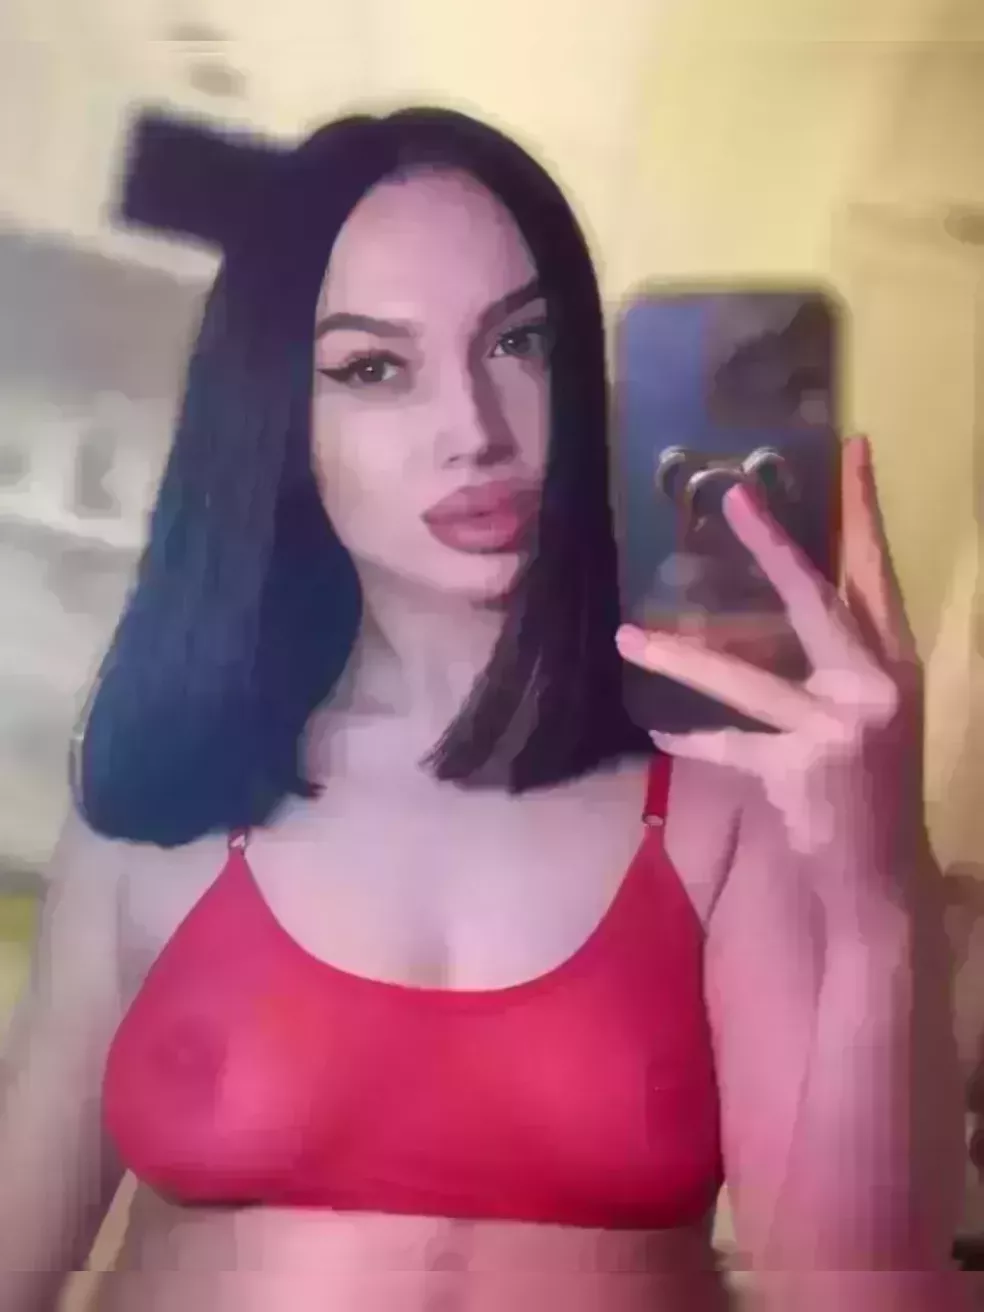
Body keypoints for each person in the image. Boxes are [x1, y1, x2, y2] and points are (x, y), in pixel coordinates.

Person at [0, 107, 969, 1312]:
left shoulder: (725, 792)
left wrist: (877, 889)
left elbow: (861, 1296)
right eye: (374, 368)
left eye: (520, 342)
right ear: (277, 417)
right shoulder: (169, 783)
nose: (475, 430)